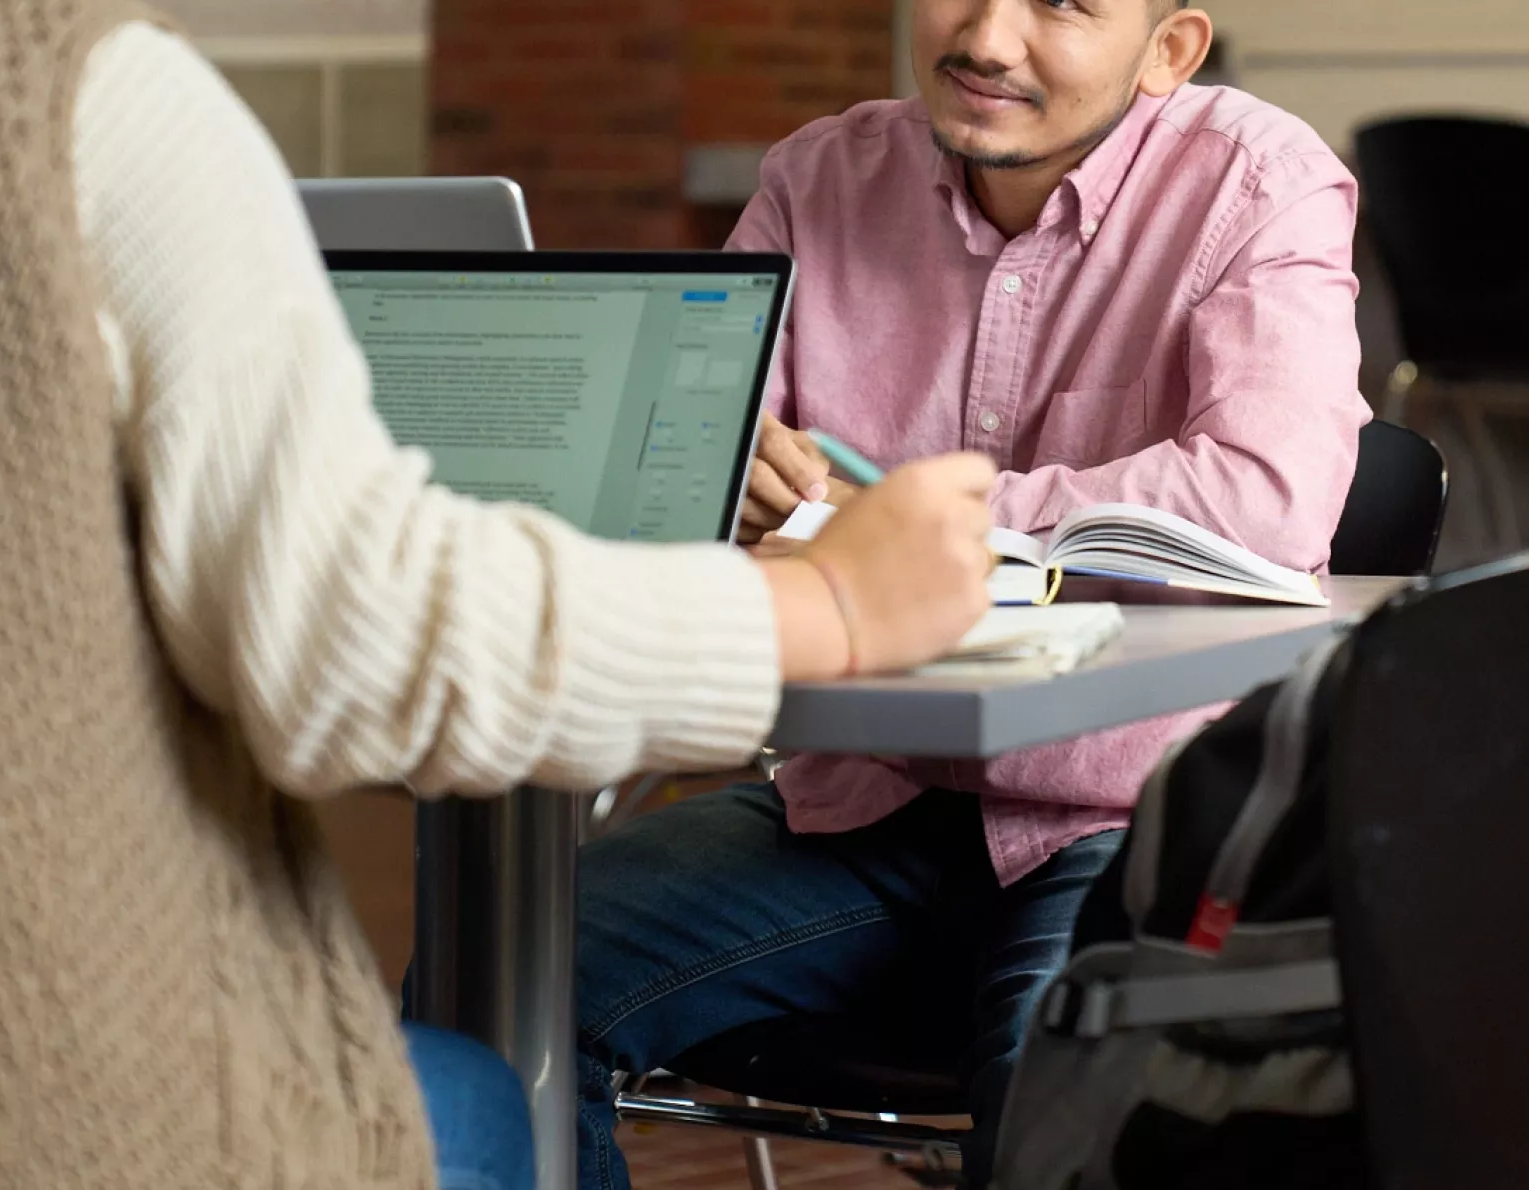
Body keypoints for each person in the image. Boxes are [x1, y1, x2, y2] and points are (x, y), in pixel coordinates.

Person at [0, 1, 995, 1187]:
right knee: (476, 1095)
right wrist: (827, 610)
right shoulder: (82, 106)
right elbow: (349, 638)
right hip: (22, 1096)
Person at [568, 0, 1371, 1184]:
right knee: (496, 978)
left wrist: (917, 525)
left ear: (1170, 51)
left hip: (1127, 813)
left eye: (1063, 4)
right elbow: (676, 465)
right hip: (864, 798)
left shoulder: (1262, 182)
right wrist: (713, 474)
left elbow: (1265, 492)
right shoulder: (813, 179)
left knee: (1058, 1114)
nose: (987, 38)